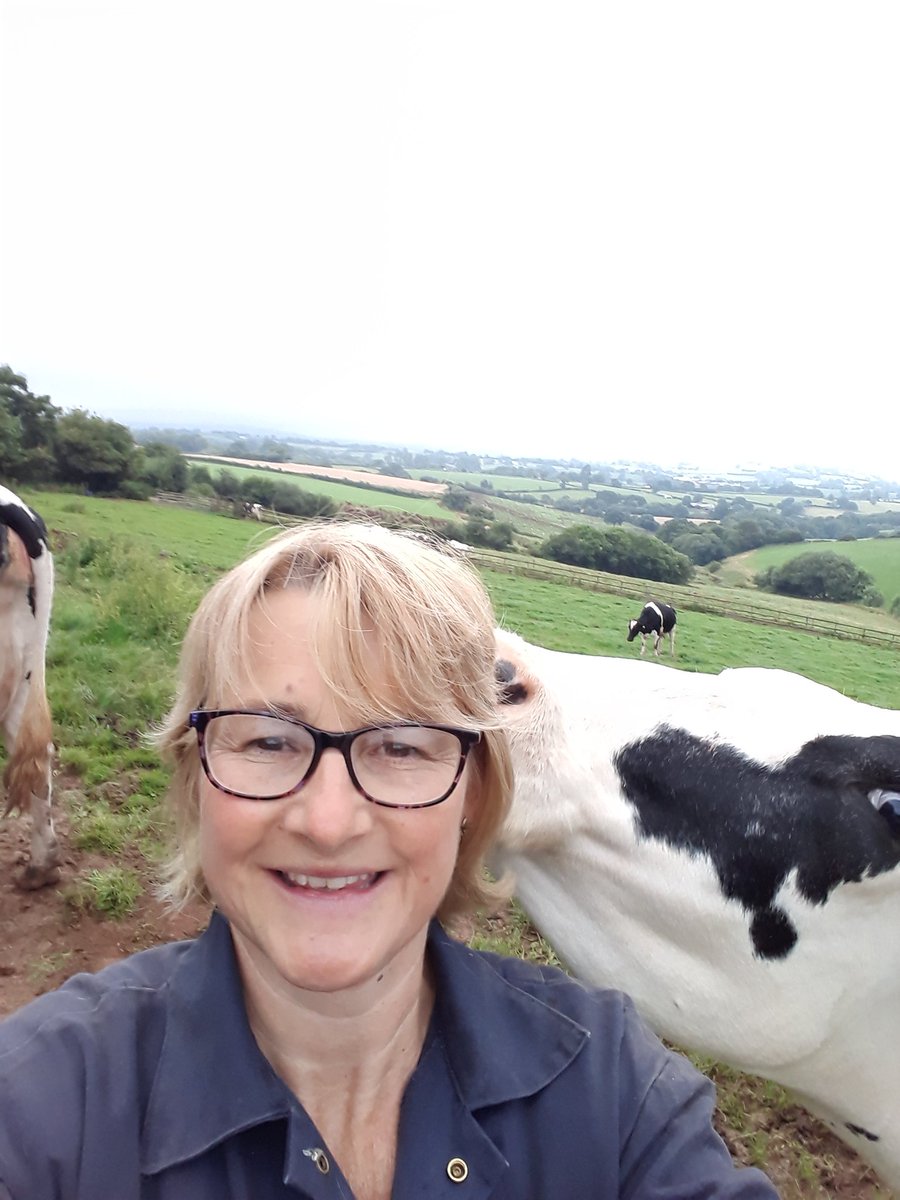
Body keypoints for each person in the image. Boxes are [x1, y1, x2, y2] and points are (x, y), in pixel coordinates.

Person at [0, 521, 780, 1199]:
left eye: (401, 746)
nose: (330, 822)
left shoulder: (614, 1096)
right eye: (268, 741)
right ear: (196, 773)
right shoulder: (38, 1107)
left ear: (473, 791)